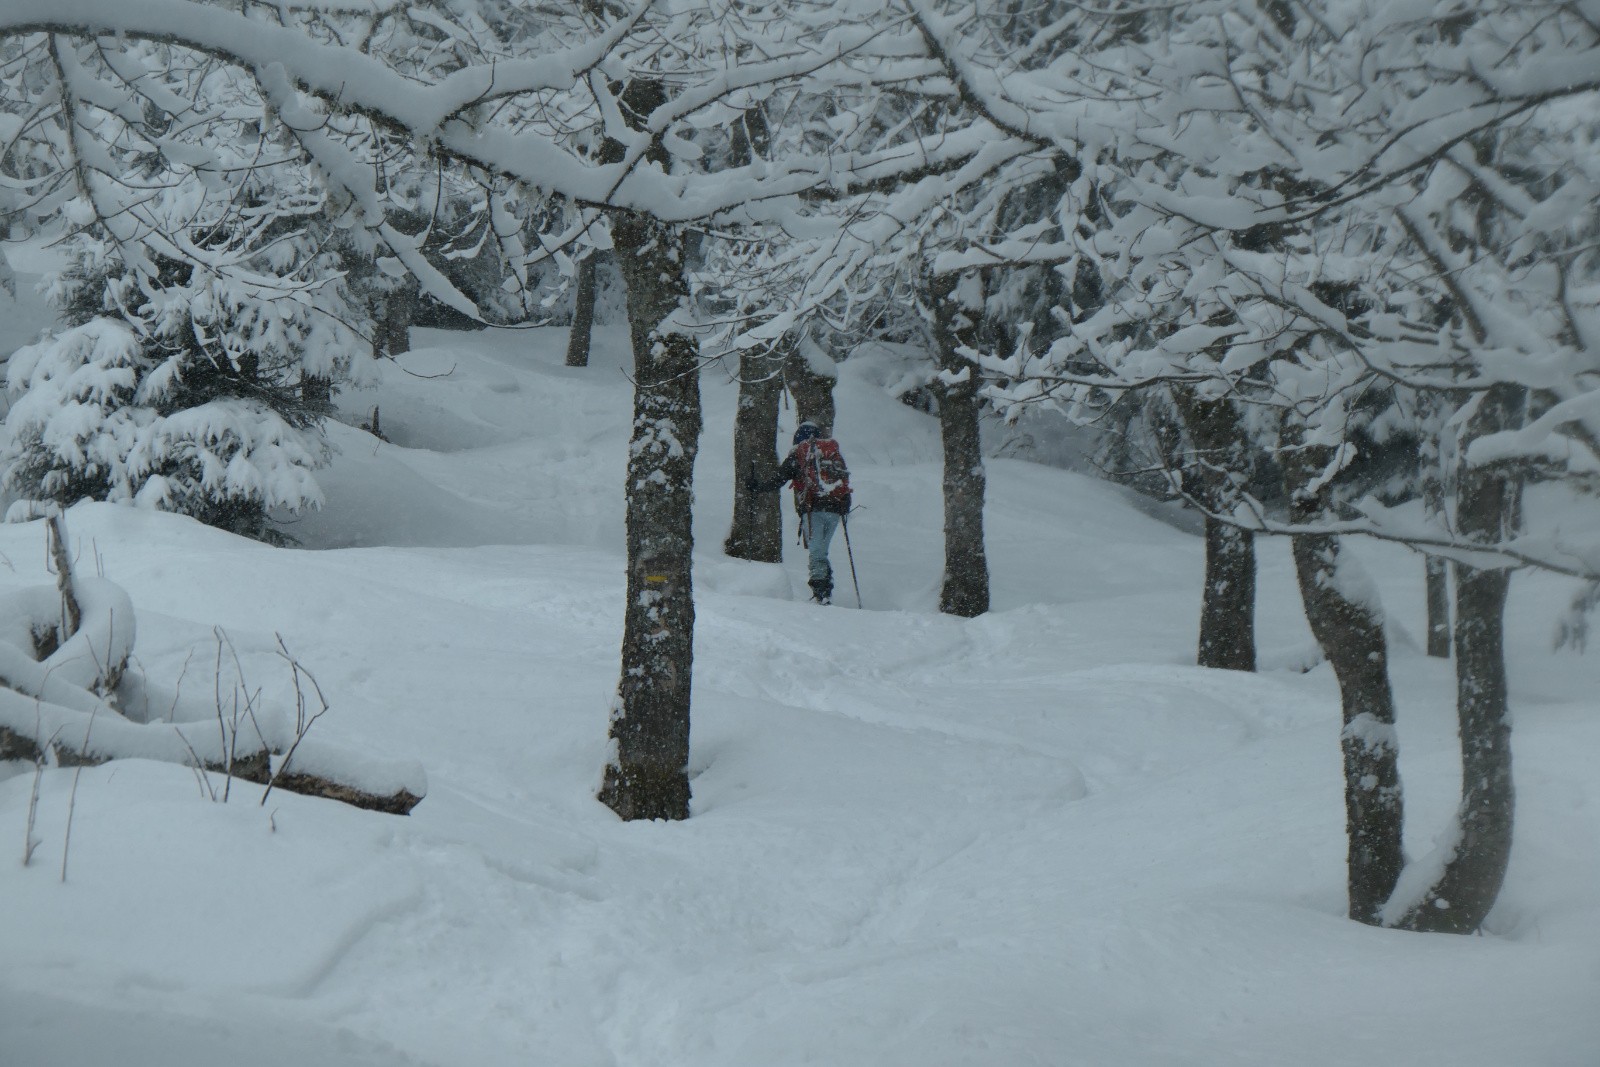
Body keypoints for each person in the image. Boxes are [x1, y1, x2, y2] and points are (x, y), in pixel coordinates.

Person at [747, 421, 852, 604]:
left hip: (813, 509)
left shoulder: (799, 455)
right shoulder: (829, 454)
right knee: (821, 551)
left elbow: (779, 479)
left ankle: (822, 593)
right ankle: (825, 588)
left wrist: (758, 487)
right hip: (835, 509)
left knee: (817, 552)